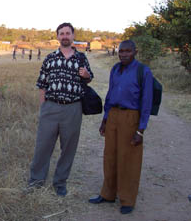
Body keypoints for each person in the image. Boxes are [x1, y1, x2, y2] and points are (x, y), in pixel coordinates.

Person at [27, 22, 93, 197]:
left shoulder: (81, 58)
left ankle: (60, 183)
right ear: (57, 37)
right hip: (51, 107)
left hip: (73, 109)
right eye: (61, 33)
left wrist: (86, 75)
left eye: (68, 33)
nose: (65, 36)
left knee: (68, 148)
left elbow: (89, 78)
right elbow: (42, 84)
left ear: (73, 36)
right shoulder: (50, 58)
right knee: (43, 146)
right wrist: (43, 108)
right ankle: (36, 181)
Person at [88, 40, 153, 215]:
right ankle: (108, 194)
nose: (123, 54)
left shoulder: (143, 71)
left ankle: (127, 199)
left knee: (129, 158)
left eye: (127, 51)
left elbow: (147, 102)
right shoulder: (115, 69)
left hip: (131, 116)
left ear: (135, 52)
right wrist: (105, 119)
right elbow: (110, 95)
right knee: (110, 155)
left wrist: (140, 130)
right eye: (121, 51)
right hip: (114, 116)